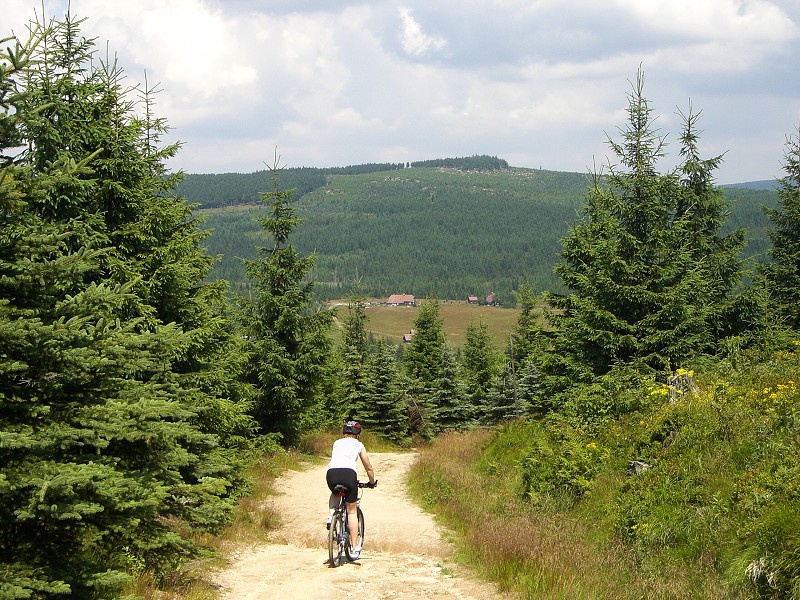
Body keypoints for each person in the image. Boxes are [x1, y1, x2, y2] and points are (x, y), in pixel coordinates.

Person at [325, 420, 377, 554]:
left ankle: (332, 516)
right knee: (352, 511)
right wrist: (372, 482)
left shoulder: (336, 443)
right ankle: (354, 547)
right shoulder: (358, 445)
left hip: (331, 474)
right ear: (357, 434)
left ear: (344, 432)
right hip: (348, 474)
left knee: (335, 493)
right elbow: (368, 467)